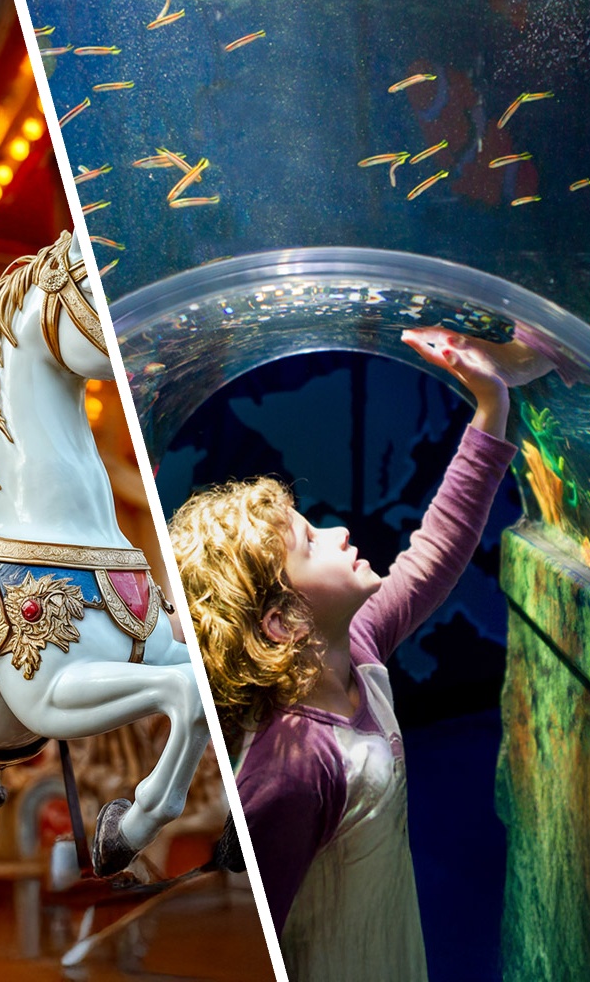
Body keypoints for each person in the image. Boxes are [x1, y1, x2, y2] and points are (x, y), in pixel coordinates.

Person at [167, 333, 517, 981]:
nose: (337, 531)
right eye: (308, 539)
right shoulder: (291, 770)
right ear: (282, 620)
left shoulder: (356, 651)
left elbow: (435, 550)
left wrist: (491, 407)